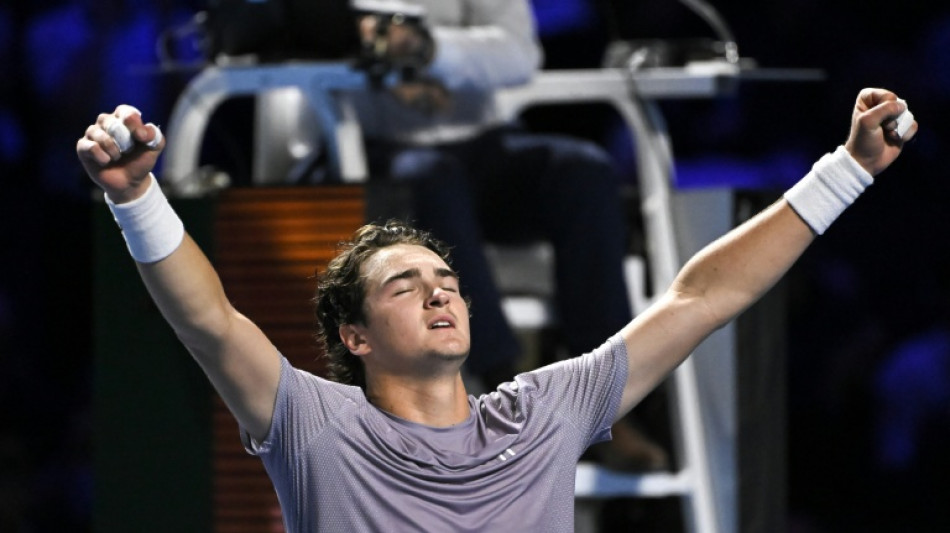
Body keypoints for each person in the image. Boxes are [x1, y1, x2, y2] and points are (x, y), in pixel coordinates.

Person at [77, 87, 916, 531]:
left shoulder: (542, 412)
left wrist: (846, 170)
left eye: (445, 276)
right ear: (354, 337)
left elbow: (705, 295)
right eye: (404, 284)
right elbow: (210, 321)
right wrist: (137, 196)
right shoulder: (317, 426)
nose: (440, 288)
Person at [348, 0, 633, 389]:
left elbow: (519, 53)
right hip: (378, 150)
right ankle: (505, 386)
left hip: (483, 146)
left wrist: (427, 50)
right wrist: (387, 71)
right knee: (431, 178)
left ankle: (606, 393)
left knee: (585, 172)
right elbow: (309, 41)